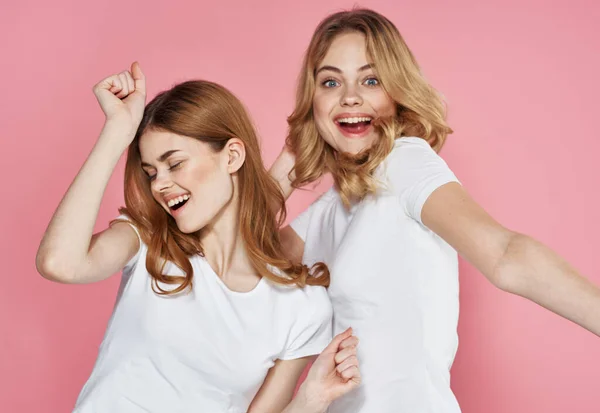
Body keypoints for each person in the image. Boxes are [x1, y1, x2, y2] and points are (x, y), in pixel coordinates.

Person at [269, 8, 600, 413]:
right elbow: (240, 263)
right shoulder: (331, 210)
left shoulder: (405, 162)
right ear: (313, 100)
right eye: (330, 82)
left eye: (370, 80)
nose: (349, 97)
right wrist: (289, 160)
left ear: (396, 93)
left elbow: (504, 254)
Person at [36, 62, 361, 413]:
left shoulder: (299, 305)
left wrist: (312, 398)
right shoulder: (147, 241)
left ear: (232, 156)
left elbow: (254, 202)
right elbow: (60, 263)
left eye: (174, 164)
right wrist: (117, 131)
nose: (159, 184)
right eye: (150, 173)